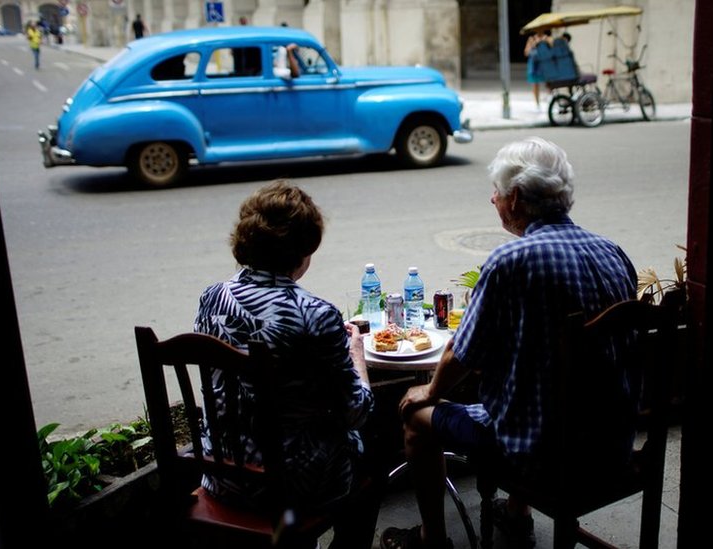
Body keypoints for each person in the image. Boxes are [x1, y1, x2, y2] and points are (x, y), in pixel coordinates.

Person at [379, 137, 639, 549]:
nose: (493, 199)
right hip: (612, 444)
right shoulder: (613, 252)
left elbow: (460, 353)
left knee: (417, 416)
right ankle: (516, 513)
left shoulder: (510, 261)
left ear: (515, 199)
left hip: (542, 454)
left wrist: (429, 390)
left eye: (497, 193)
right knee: (538, 394)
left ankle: (431, 539)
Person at [194, 180, 384, 549]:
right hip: (289, 486)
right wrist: (355, 354)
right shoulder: (314, 314)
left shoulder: (212, 297)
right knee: (374, 454)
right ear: (305, 248)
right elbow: (355, 413)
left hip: (221, 473)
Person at [524, 30, 553, 109]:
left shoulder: (548, 38)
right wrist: (533, 45)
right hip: (534, 65)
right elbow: (526, 52)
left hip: (545, 63)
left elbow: (552, 49)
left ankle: (550, 99)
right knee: (535, 84)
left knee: (549, 82)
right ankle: (537, 103)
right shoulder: (532, 39)